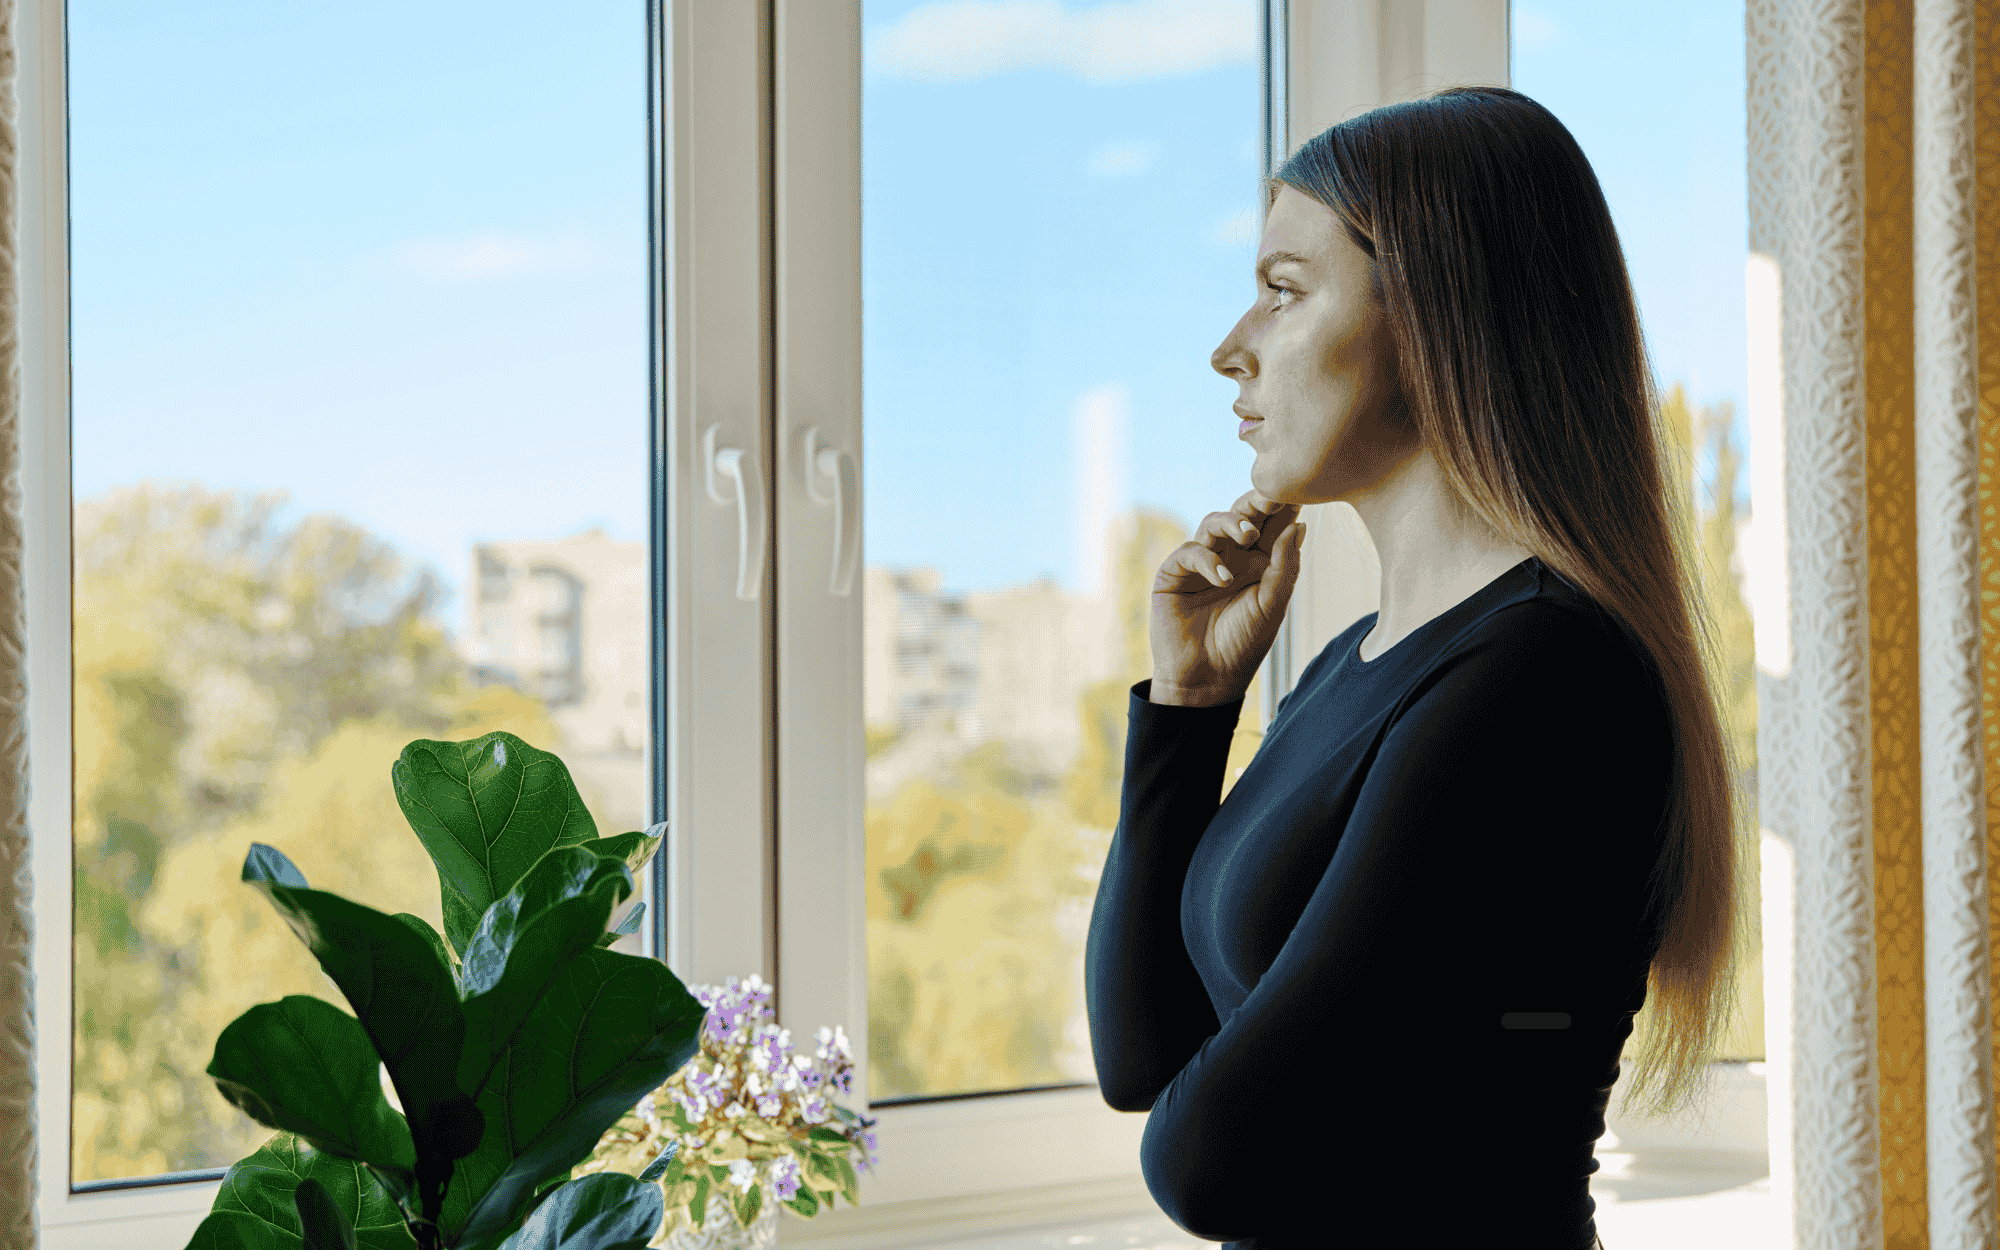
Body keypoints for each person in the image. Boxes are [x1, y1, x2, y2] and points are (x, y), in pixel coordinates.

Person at [1083, 87, 1748, 1250]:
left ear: (1438, 312)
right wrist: (1189, 707)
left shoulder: (1542, 677)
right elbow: (1142, 1055)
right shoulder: (1356, 665)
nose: (1228, 348)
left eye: (1282, 291)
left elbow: (1208, 1160)